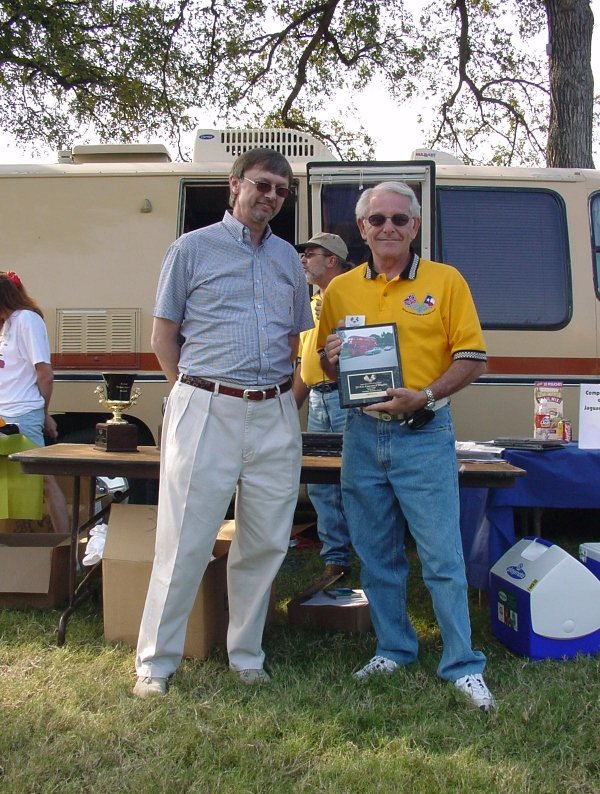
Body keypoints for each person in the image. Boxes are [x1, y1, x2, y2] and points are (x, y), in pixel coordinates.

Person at [134, 147, 313, 697]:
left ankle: (247, 655)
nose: (271, 197)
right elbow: (164, 338)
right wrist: (191, 394)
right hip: (205, 404)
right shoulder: (190, 249)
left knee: (264, 541)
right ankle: (156, 665)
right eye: (262, 185)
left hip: (275, 410)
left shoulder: (288, 259)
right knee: (185, 539)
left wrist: (288, 399)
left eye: (281, 191)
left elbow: (295, 340)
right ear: (234, 185)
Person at [317, 181, 495, 711]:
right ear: (363, 228)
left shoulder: (446, 281)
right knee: (376, 554)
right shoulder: (340, 290)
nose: (389, 228)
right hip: (362, 435)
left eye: (400, 219)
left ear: (415, 227)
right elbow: (328, 369)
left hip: (424, 433)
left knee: (442, 556)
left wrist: (425, 395)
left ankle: (463, 665)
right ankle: (394, 648)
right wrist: (329, 358)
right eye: (378, 220)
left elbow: (473, 358)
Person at [292, 233, 353, 587]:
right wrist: (289, 410)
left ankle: (365, 555)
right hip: (318, 397)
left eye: (310, 253)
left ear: (331, 260)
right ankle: (336, 561)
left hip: (345, 398)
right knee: (319, 483)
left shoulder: (350, 294)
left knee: (354, 481)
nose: (303, 259)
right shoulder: (311, 302)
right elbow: (305, 362)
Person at [0, 270, 69, 533]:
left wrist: (43, 413)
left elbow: (45, 374)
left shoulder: (27, 320)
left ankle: (66, 549)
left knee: (45, 482)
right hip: (4, 413)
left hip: (22, 415)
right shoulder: (6, 324)